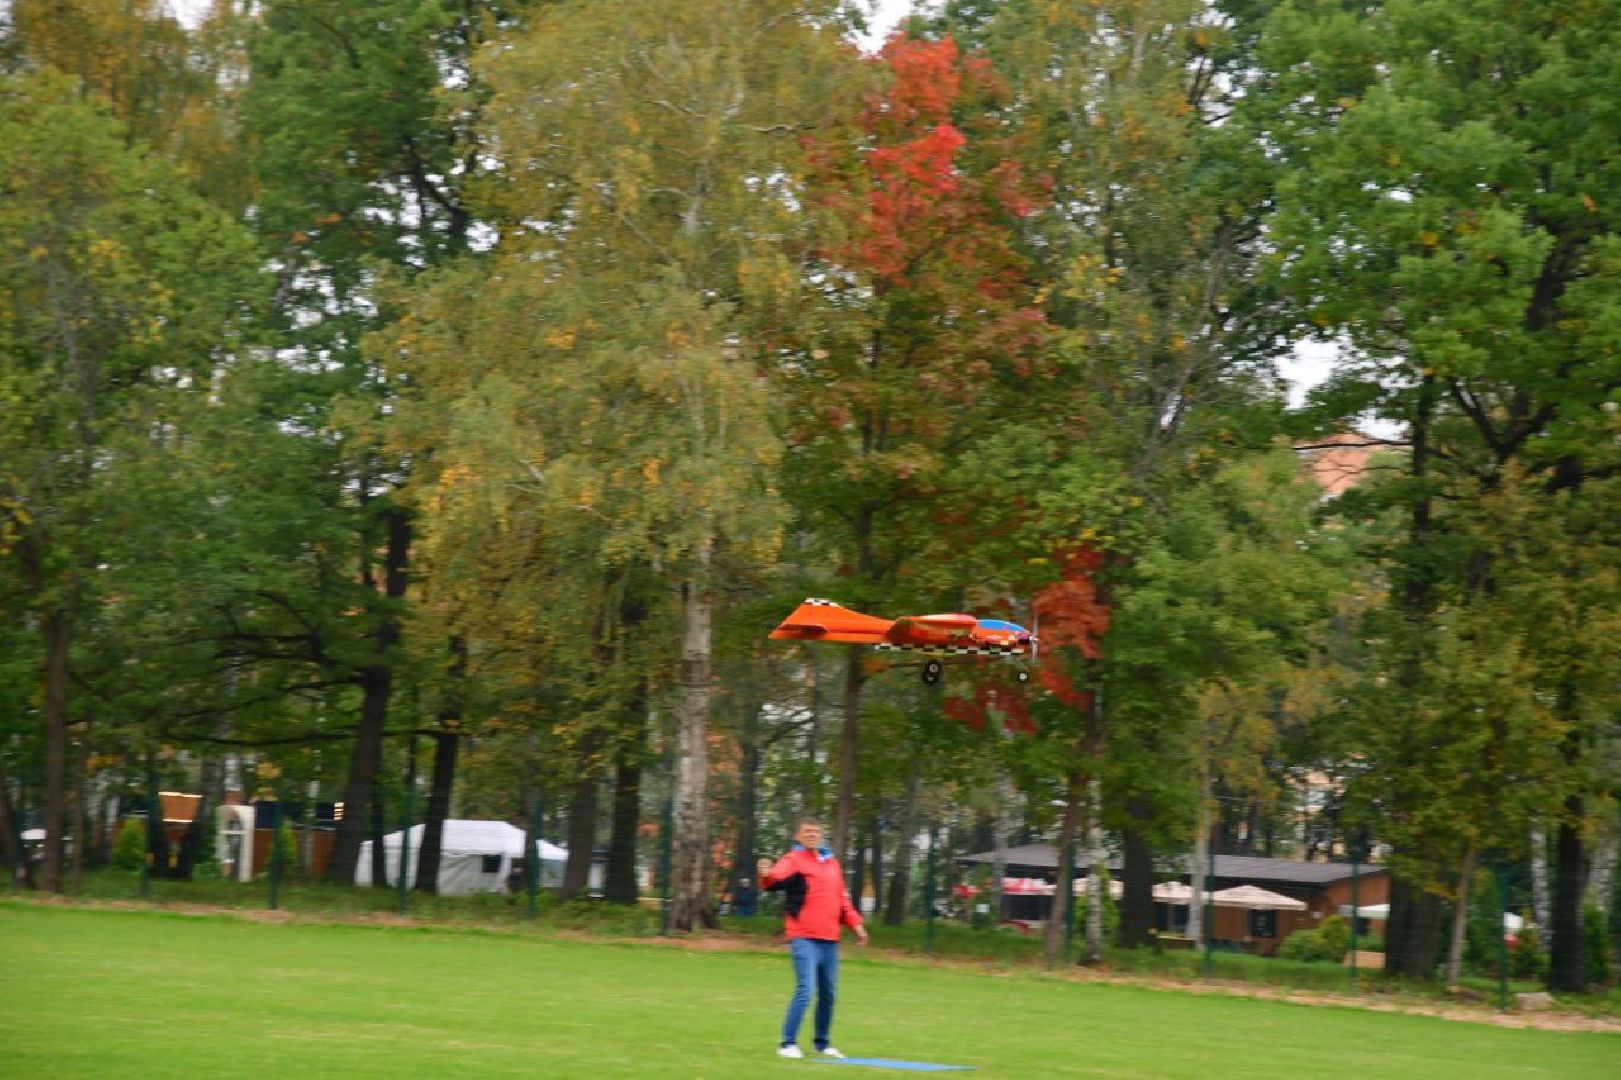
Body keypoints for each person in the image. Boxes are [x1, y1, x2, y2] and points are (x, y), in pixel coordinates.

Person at [757, 816, 867, 1060]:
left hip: (830, 939)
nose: (812, 835)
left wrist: (856, 924)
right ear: (798, 836)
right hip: (804, 937)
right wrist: (766, 874)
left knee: (828, 993)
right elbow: (776, 878)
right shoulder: (793, 859)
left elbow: (842, 899)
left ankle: (822, 1044)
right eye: (807, 831)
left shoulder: (832, 863)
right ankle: (787, 1044)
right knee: (806, 989)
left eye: (816, 831)